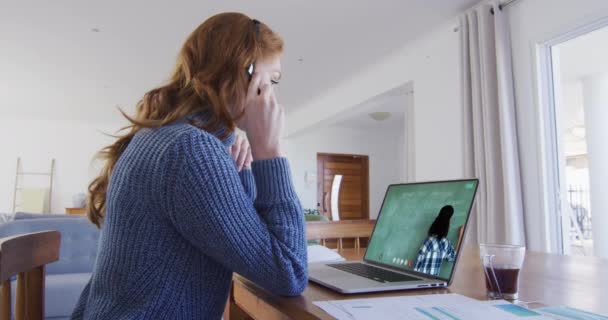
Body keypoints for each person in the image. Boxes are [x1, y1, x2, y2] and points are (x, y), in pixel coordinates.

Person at [71, 12, 307, 320]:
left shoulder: (169, 137)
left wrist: (245, 170)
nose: (273, 95)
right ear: (245, 72)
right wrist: (271, 151)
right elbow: (289, 271)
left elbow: (244, 241)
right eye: (271, 80)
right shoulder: (191, 151)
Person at [413, 205, 457, 276]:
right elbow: (454, 257)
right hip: (432, 282)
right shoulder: (445, 243)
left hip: (420, 279)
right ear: (447, 223)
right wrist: (461, 236)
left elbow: (417, 264)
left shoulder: (428, 241)